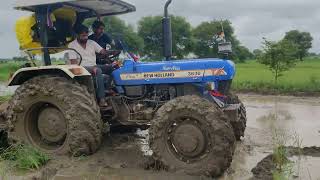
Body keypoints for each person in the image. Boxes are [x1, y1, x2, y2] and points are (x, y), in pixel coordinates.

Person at [68, 25, 114, 106]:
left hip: (94, 65)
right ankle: (102, 99)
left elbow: (102, 51)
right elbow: (74, 63)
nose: (85, 37)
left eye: (86, 35)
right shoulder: (72, 45)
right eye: (83, 35)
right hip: (81, 67)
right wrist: (91, 68)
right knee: (97, 70)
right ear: (77, 35)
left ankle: (108, 88)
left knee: (112, 67)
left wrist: (112, 52)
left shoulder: (91, 43)